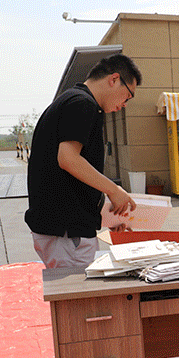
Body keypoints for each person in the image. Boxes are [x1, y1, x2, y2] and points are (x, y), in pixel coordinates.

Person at [24, 53, 141, 269]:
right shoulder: (82, 104)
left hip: (63, 231)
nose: (124, 104)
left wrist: (106, 216)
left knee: (71, 289)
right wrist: (114, 190)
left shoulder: (73, 101)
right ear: (114, 79)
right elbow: (68, 159)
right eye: (128, 96)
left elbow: (70, 179)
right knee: (76, 289)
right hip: (67, 235)